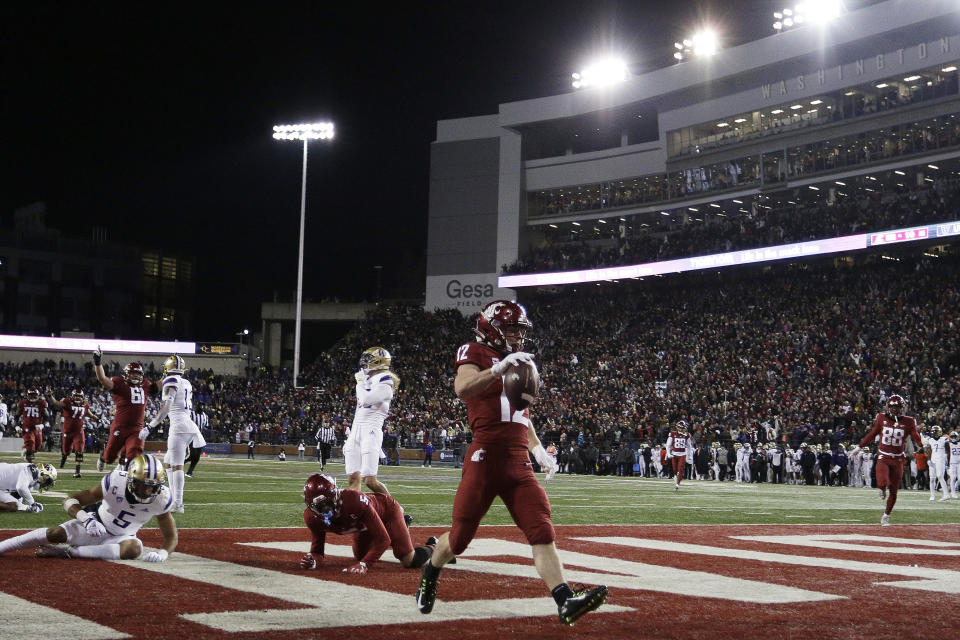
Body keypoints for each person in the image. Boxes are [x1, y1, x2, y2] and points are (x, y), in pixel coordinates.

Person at [415, 300, 606, 626]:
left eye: (520, 329)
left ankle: (564, 600)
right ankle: (431, 569)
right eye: (512, 328)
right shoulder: (474, 351)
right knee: (460, 539)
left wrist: (539, 450)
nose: (517, 335)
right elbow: (463, 387)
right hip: (485, 457)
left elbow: (520, 414)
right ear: (492, 327)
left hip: (518, 461)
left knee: (541, 531)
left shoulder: (518, 360)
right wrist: (498, 369)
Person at [0, 453, 177, 562]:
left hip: (122, 537)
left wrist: (163, 553)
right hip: (95, 524)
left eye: (152, 486)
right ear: (131, 479)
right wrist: (86, 519)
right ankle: (4, 546)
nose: (147, 491)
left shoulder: (162, 497)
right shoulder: (116, 481)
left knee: (134, 549)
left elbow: (171, 536)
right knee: (55, 534)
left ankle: (70, 553)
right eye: (142, 485)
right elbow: (70, 500)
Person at [299, 473, 435, 574]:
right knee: (360, 556)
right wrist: (314, 560)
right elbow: (317, 551)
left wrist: (365, 565)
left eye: (328, 503)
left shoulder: (354, 502)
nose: (326, 510)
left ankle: (433, 546)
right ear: (310, 506)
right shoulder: (312, 518)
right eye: (320, 507)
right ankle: (404, 526)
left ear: (335, 495)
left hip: (387, 512)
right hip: (363, 524)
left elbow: (383, 539)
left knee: (408, 560)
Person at [140, 355, 207, 514]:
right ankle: (172, 499)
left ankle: (178, 504)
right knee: (169, 462)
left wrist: (150, 427)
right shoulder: (186, 382)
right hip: (185, 424)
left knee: (176, 465)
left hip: (179, 425)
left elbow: (166, 407)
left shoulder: (170, 381)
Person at [850, 395, 922, 526]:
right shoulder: (881, 418)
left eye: (897, 407)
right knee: (882, 482)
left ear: (902, 408)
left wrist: (922, 445)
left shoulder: (909, 421)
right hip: (884, 456)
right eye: (893, 407)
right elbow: (873, 434)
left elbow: (915, 436)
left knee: (894, 491)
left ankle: (886, 516)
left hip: (898, 459)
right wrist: (859, 447)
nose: (895, 410)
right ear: (888, 407)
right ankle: (882, 489)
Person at [343, 347, 398, 495]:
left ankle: (396, 511)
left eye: (369, 359)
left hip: (370, 430)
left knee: (369, 480)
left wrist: (360, 382)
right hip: (356, 430)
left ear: (378, 362)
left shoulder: (386, 380)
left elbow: (366, 399)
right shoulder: (368, 380)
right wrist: (362, 382)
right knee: (353, 479)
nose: (365, 362)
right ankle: (356, 512)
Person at [93, 348, 157, 470]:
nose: (135, 375)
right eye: (133, 373)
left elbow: (158, 386)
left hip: (136, 428)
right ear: (127, 374)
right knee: (109, 458)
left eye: (138, 373)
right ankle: (103, 456)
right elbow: (102, 378)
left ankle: (125, 474)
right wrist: (97, 362)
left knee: (134, 454)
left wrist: (172, 374)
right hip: (120, 427)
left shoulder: (146, 385)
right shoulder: (120, 383)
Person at [47, 388, 101, 478]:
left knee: (79, 451)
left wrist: (96, 418)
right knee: (66, 451)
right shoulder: (67, 402)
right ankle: (64, 458)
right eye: (76, 396)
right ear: (72, 396)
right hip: (67, 431)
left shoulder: (85, 404)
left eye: (79, 396)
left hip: (78, 431)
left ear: (83, 397)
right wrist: (50, 396)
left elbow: (89, 413)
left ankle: (77, 471)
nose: (77, 398)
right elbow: (56, 403)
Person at [15, 387, 48, 463]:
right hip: (27, 428)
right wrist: (16, 426)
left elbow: (47, 416)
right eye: (31, 395)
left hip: (37, 428)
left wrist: (42, 425)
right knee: (31, 445)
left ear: (38, 395)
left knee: (38, 445)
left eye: (34, 395)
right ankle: (30, 465)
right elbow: (16, 416)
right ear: (27, 395)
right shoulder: (23, 403)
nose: (32, 397)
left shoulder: (41, 403)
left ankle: (25, 449)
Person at [926, 425, 950, 502]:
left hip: (941, 459)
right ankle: (932, 495)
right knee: (932, 479)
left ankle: (946, 494)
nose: (934, 433)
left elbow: (948, 450)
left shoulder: (944, 439)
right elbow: (929, 451)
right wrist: (929, 459)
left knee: (940, 476)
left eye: (936, 432)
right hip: (933, 460)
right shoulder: (930, 440)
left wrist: (947, 461)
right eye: (933, 432)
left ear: (939, 432)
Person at [665, 420, 690, 491]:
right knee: (675, 470)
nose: (681, 429)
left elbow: (689, 446)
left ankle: (678, 484)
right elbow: (668, 445)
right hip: (674, 454)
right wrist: (669, 453)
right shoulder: (672, 434)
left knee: (680, 469)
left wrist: (689, 456)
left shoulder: (687, 435)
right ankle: (677, 481)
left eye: (682, 428)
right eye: (680, 427)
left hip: (682, 454)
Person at [948, 431, 960, 499]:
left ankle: (955, 488)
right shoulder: (949, 444)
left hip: (959, 463)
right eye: (952, 437)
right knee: (953, 478)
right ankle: (953, 492)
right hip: (952, 463)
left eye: (954, 436)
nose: (953, 438)